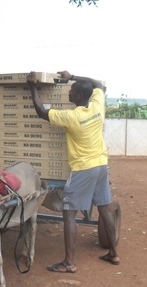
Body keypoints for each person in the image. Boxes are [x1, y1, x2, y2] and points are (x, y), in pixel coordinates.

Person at [26, 70, 120, 273]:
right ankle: (113, 253)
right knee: (105, 208)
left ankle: (69, 262)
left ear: (78, 96)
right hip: (101, 164)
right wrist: (73, 77)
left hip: (83, 169)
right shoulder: (97, 106)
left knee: (69, 213)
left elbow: (42, 112)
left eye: (72, 90)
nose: (68, 92)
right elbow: (97, 83)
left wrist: (32, 87)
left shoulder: (72, 117)